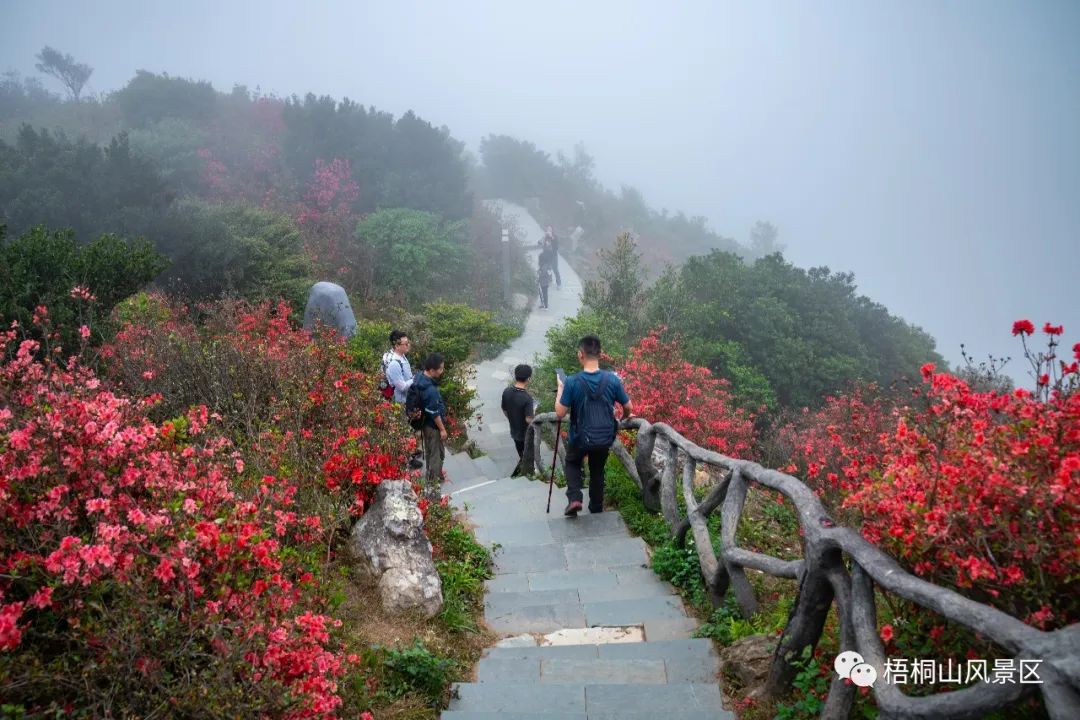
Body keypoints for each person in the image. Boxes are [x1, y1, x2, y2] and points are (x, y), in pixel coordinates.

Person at [554, 335, 633, 516]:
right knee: (597, 470)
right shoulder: (612, 380)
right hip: (604, 437)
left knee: (573, 463)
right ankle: (596, 508)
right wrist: (624, 417)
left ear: (580, 355)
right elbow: (628, 407)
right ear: (601, 354)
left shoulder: (572, 381)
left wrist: (560, 388)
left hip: (580, 437)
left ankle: (575, 498)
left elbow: (560, 413)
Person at [382, 330, 423, 469]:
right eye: (406, 343)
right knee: (404, 430)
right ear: (397, 345)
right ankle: (408, 459)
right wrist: (415, 379)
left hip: (408, 400)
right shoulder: (394, 363)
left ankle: (411, 451)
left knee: (408, 428)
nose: (408, 345)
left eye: (408, 342)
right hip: (400, 403)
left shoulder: (403, 357)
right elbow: (402, 387)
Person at [413, 352, 448, 497]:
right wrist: (442, 429)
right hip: (433, 426)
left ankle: (430, 476)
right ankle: (434, 483)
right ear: (432, 370)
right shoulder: (430, 389)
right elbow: (433, 412)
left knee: (429, 450)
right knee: (437, 454)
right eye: (440, 369)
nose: (442, 371)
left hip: (425, 424)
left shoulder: (420, 377)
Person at [501, 364, 536, 476]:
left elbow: (504, 409)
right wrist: (535, 415)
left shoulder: (506, 391)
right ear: (528, 379)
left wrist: (512, 419)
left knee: (520, 451)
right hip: (525, 433)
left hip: (514, 430)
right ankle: (527, 472)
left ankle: (522, 468)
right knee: (528, 454)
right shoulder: (527, 398)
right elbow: (528, 419)